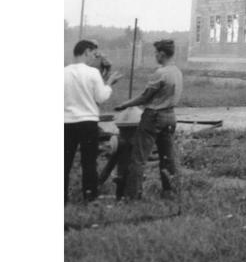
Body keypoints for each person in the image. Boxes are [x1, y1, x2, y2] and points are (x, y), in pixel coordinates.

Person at [116, 39, 183, 200]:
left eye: (155, 53)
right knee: (168, 157)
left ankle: (132, 196)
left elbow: (145, 97)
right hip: (170, 116)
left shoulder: (160, 73)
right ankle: (170, 192)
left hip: (153, 117)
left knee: (138, 158)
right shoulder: (177, 72)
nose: (155, 56)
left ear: (161, 54)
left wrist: (125, 104)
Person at [65, 39, 122, 202]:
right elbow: (101, 97)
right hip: (88, 122)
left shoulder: (63, 72)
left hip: (66, 122)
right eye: (93, 53)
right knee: (89, 162)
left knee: (64, 163)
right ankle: (89, 197)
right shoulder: (92, 73)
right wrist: (109, 83)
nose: (93, 58)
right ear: (87, 51)